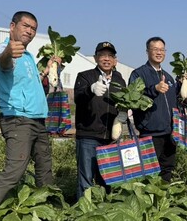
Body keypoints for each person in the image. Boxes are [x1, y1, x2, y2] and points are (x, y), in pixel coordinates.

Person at [0, 11, 53, 214]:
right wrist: (9, 52)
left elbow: (27, 84)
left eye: (34, 29)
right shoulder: (4, 49)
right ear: (12, 26)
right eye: (26, 26)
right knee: (14, 171)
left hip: (37, 119)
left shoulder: (28, 57)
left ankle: (48, 212)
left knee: (44, 168)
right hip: (18, 119)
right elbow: (2, 61)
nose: (30, 31)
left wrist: (47, 71)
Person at [74, 42, 126, 200]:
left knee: (109, 177)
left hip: (111, 137)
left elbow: (125, 101)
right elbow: (78, 98)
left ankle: (104, 211)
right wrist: (90, 90)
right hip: (89, 136)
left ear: (115, 60)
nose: (107, 59)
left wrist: (124, 112)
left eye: (110, 56)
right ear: (96, 57)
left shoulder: (119, 80)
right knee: (86, 179)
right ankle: (82, 213)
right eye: (103, 55)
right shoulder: (85, 76)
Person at [129, 37, 177, 182]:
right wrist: (153, 89)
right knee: (148, 173)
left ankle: (163, 202)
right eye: (155, 49)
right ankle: (148, 203)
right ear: (147, 51)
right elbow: (133, 97)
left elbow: (174, 104)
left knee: (166, 169)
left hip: (169, 133)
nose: (159, 52)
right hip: (150, 133)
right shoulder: (138, 74)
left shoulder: (168, 77)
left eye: (162, 50)